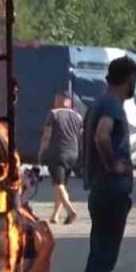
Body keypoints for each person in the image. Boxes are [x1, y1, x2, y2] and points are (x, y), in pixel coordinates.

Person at [79, 56, 136, 272]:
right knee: (102, 258)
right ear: (129, 79)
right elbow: (103, 136)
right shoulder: (112, 105)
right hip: (110, 192)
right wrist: (114, 165)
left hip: (102, 192)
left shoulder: (98, 103)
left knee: (98, 257)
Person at [37, 93, 82, 225]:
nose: (55, 101)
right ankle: (55, 215)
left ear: (61, 100)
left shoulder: (54, 114)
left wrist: (41, 152)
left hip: (57, 153)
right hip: (73, 154)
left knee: (58, 184)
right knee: (61, 185)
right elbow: (80, 135)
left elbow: (47, 135)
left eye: (57, 99)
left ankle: (71, 211)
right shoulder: (77, 116)